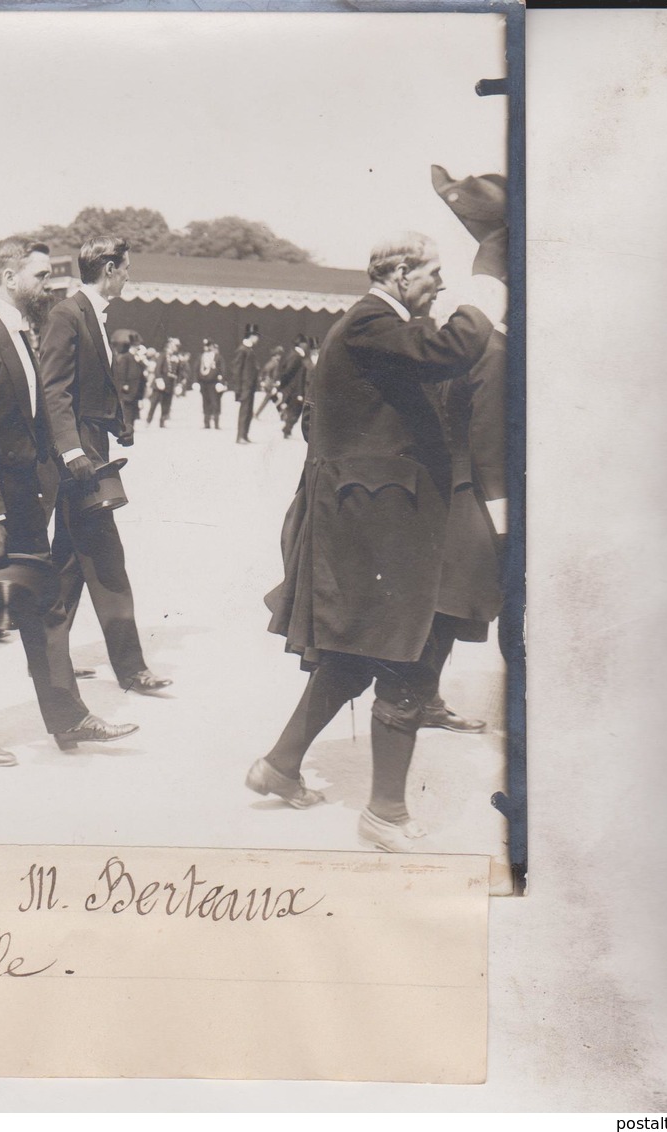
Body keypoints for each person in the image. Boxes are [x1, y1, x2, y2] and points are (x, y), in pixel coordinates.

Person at [253, 231, 493, 851]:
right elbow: (451, 348)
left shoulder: (370, 327)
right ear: (400, 273)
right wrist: (486, 296)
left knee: (356, 657)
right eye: (433, 274)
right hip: (376, 528)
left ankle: (279, 766)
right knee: (405, 659)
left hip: (372, 521)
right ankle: (385, 814)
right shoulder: (370, 322)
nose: (439, 285)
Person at [0, 236, 137, 766]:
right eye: (40, 276)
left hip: (22, 502)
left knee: (44, 606)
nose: (48, 285)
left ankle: (68, 717)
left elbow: (33, 414)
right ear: (8, 275)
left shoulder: (17, 332)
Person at [39, 236, 170, 696]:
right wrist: (73, 452)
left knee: (71, 563)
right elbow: (54, 389)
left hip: (89, 443)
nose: (129, 274)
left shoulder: (88, 313)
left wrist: (120, 424)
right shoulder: (67, 314)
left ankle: (47, 655)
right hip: (77, 456)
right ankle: (131, 670)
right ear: (110, 268)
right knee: (107, 560)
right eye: (126, 267)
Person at [421, 163, 513, 731]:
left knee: (449, 601)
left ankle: (421, 696)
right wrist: (502, 510)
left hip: (448, 483)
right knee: (460, 599)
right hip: (473, 491)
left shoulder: (454, 339)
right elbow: (488, 437)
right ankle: (417, 698)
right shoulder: (495, 351)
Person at [231, 324, 262, 444]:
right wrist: (238, 388)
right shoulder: (242, 349)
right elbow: (237, 369)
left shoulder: (249, 349)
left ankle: (245, 434)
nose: (258, 339)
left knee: (248, 411)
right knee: (244, 411)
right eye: (256, 336)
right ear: (252, 336)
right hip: (245, 386)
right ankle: (240, 436)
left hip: (250, 386)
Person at [276, 334, 309, 439]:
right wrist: (283, 384)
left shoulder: (294, 354)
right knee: (295, 409)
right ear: (300, 344)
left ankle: (287, 428)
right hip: (294, 388)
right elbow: (288, 371)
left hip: (293, 387)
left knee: (294, 409)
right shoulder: (296, 356)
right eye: (304, 343)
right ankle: (287, 429)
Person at [111, 330, 144, 426]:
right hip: (128, 389)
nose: (137, 349)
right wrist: (124, 384)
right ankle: (127, 427)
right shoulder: (125, 357)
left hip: (136, 389)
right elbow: (121, 373)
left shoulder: (137, 358)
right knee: (128, 411)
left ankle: (130, 426)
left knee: (133, 410)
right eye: (136, 347)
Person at [195, 338, 225, 429]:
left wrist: (221, 382)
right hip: (203, 383)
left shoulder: (217, 357)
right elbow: (196, 369)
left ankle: (216, 423)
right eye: (205, 346)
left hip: (214, 383)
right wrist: (196, 381)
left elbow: (222, 370)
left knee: (215, 402)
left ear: (212, 346)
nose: (206, 348)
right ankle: (206, 423)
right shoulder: (201, 356)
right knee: (205, 402)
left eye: (208, 346)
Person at [144, 339, 176, 428]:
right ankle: (148, 420)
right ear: (169, 346)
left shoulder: (173, 357)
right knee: (154, 403)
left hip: (169, 384)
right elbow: (157, 369)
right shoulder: (162, 355)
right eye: (173, 346)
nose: (175, 348)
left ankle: (162, 421)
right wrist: (159, 379)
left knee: (166, 404)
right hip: (160, 384)